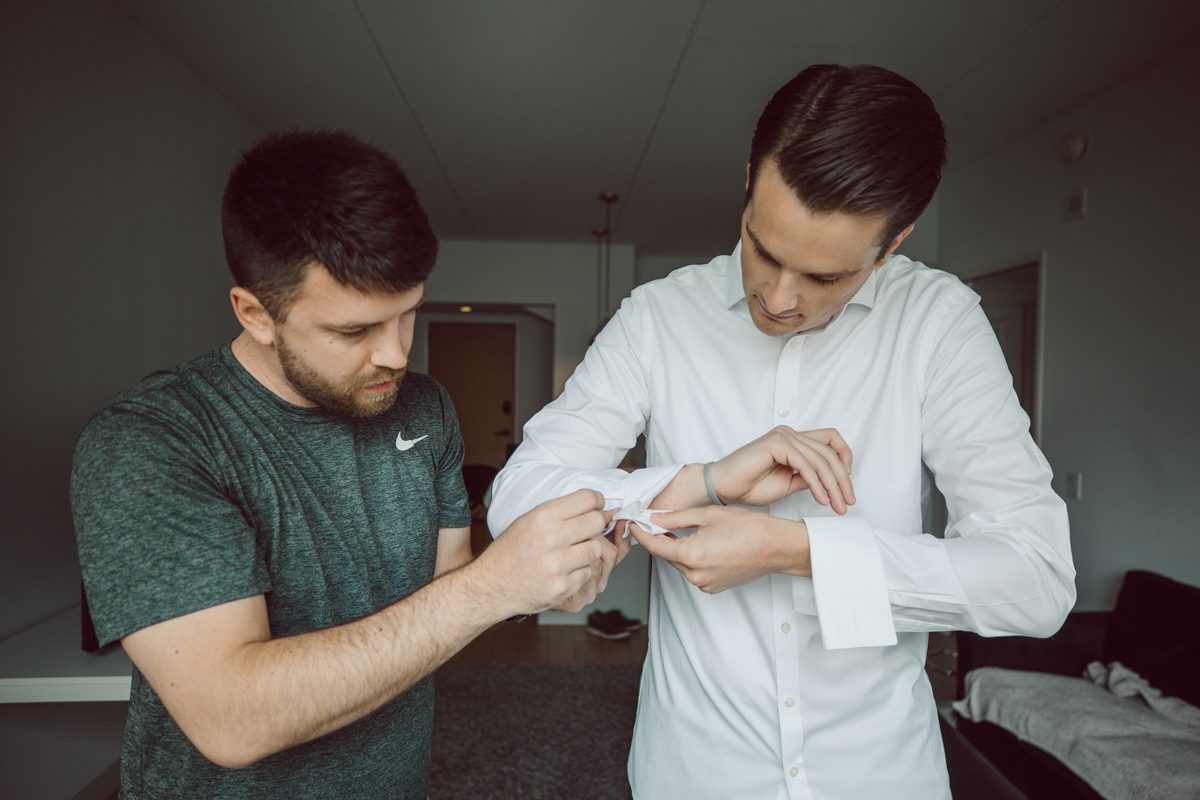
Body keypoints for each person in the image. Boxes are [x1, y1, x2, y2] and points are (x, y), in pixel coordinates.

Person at [488, 64, 1076, 800]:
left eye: (824, 277)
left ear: (892, 244)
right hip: (695, 774)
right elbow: (516, 499)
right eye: (763, 249)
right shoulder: (657, 318)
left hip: (882, 776)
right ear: (746, 185)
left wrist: (794, 552)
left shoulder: (938, 324)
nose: (778, 297)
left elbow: (1036, 580)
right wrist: (701, 481)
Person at [70, 130, 617, 799]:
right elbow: (231, 719)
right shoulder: (153, 441)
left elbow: (451, 587)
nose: (395, 354)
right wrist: (493, 589)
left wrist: (540, 581)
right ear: (256, 314)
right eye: (353, 331)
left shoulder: (425, 409)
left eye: (408, 314)